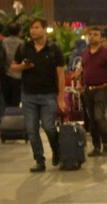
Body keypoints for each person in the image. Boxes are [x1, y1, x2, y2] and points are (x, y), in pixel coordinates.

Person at [11, 18, 67, 171]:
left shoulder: (54, 49)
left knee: (49, 127)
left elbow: (61, 75)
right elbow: (13, 67)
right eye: (31, 28)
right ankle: (39, 160)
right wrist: (24, 66)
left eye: (36, 27)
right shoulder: (24, 47)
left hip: (49, 95)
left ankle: (57, 151)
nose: (33, 31)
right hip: (28, 96)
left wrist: (60, 97)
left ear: (44, 29)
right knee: (31, 129)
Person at [78, 26, 107, 157]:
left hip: (103, 88)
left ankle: (106, 143)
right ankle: (96, 146)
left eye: (95, 34)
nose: (92, 36)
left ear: (102, 38)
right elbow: (83, 69)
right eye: (90, 34)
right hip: (88, 89)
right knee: (91, 119)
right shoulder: (85, 53)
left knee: (99, 116)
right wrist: (79, 75)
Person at [0, 23, 24, 110]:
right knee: (16, 101)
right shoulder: (22, 43)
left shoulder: (3, 42)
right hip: (18, 75)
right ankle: (14, 120)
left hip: (5, 74)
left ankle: (5, 119)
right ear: (19, 32)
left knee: (6, 101)